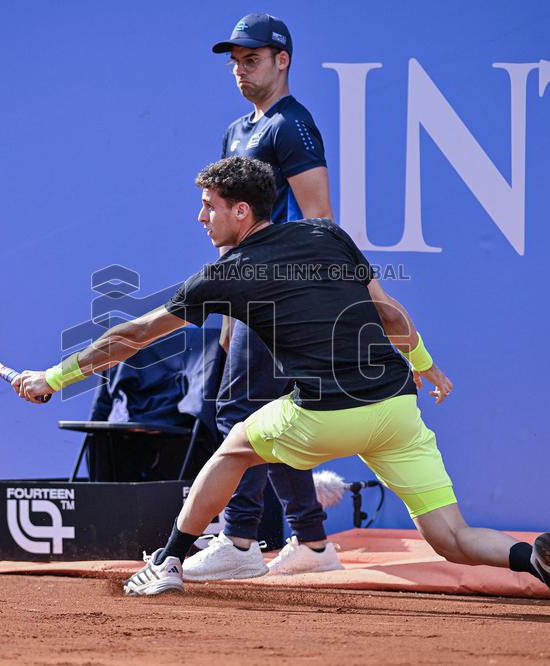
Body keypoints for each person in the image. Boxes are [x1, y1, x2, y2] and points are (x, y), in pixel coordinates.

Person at [13, 156, 550, 617]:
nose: (201, 217)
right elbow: (388, 314)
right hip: (395, 408)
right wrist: (425, 362)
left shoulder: (221, 277)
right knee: (453, 538)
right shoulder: (328, 236)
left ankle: (168, 561)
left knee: (234, 447)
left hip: (326, 412)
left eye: (209, 206)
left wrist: (53, 376)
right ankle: (538, 563)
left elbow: (136, 335)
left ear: (241, 212)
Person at [189, 12, 341, 581]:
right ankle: (313, 542)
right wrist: (230, 309)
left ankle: (241, 540)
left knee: (241, 414)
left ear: (283, 61)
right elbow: (232, 225)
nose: (240, 69)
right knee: (261, 416)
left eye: (251, 59)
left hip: (285, 294)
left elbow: (321, 218)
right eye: (235, 61)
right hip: (249, 295)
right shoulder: (236, 132)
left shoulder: (292, 127)